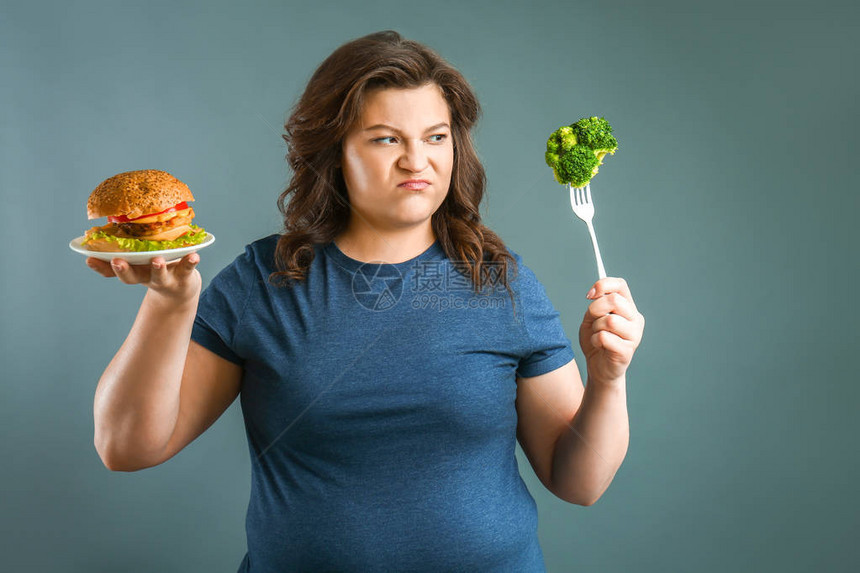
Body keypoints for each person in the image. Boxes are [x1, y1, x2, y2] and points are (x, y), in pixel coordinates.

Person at [88, 30, 644, 572]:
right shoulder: (261, 282)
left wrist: (609, 377)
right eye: (385, 138)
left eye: (435, 137)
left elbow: (580, 482)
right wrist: (170, 303)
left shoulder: (502, 283)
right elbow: (127, 447)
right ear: (335, 153)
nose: (416, 161)